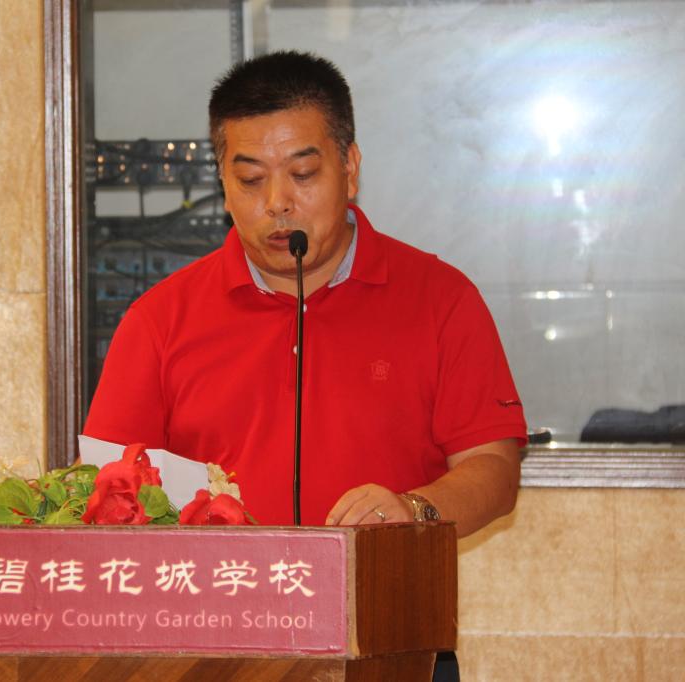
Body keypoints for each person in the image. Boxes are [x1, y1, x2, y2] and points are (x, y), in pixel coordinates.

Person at [84, 52, 523, 675]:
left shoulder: (441, 299)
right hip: (210, 652)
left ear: (350, 168)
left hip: (391, 645)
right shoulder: (158, 320)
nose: (278, 203)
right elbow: (108, 490)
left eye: (303, 173)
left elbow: (494, 470)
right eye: (250, 180)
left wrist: (416, 509)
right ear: (223, 182)